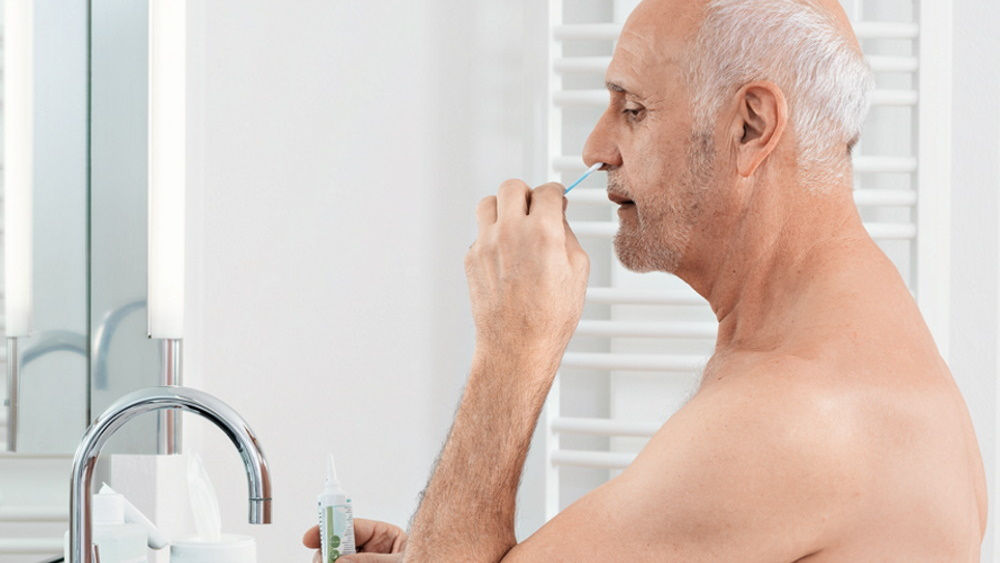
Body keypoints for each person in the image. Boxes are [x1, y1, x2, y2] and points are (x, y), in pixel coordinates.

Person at [305, 0, 987, 560]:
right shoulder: (846, 341)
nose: (596, 150)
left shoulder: (793, 420)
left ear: (750, 126)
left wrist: (513, 348)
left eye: (632, 109)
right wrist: (434, 547)